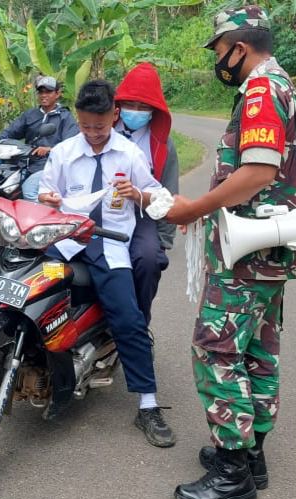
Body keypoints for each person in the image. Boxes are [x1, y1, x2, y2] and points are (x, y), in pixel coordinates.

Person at [164, 6, 296, 499]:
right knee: (256, 349)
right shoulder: (284, 84)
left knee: (216, 350)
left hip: (248, 251)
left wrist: (193, 209)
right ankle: (253, 455)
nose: (219, 62)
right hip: (271, 248)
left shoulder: (261, 91)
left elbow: (258, 172)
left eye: (219, 51)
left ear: (239, 48)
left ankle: (232, 473)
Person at [38, 80, 175, 448]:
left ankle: (148, 404)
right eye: (85, 126)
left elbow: (160, 199)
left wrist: (139, 194)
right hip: (66, 239)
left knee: (128, 319)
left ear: (114, 116)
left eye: (100, 127)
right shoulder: (64, 152)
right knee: (33, 295)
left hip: (109, 242)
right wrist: (48, 198)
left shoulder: (129, 154)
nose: (93, 134)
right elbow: (46, 193)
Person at [114, 62, 179, 327]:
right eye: (131, 105)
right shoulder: (100, 130)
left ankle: (138, 326)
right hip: (98, 212)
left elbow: (169, 192)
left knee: (148, 259)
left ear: (154, 111)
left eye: (143, 107)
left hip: (142, 214)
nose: (136, 112)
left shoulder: (161, 145)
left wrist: (163, 239)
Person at [0, 76, 79, 201]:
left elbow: (70, 144)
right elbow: (11, 131)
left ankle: (45, 219)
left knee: (29, 190)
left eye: (48, 92)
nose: (44, 95)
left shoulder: (65, 117)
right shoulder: (30, 115)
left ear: (57, 94)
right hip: (26, 164)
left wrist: (50, 149)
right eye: (41, 92)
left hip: (50, 166)